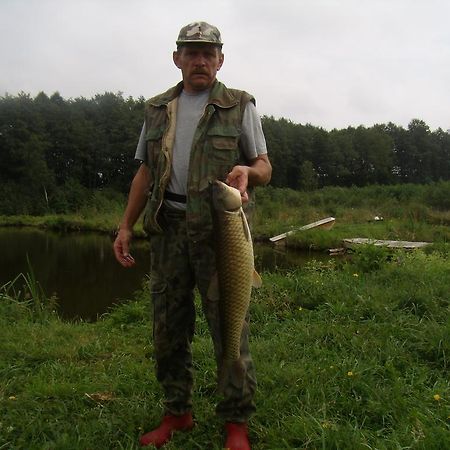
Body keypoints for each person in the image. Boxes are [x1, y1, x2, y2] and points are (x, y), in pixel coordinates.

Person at [113, 21, 272, 449]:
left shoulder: (240, 106)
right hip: (168, 231)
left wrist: (247, 173)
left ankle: (236, 422)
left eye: (208, 53)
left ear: (220, 60)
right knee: (168, 326)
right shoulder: (157, 108)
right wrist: (126, 225)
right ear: (177, 58)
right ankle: (177, 413)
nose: (200, 60)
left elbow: (263, 165)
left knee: (229, 328)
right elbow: (144, 172)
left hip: (221, 232)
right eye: (191, 52)